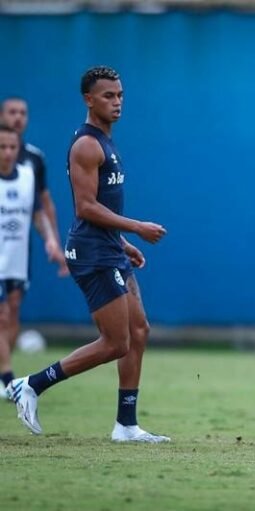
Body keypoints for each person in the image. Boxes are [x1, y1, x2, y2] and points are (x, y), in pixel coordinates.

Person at [6, 66, 170, 442]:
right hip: (92, 253)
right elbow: (86, 207)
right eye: (108, 96)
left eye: (120, 95)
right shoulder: (87, 145)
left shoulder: (106, 141)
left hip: (109, 248)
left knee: (139, 331)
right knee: (116, 342)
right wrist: (137, 228)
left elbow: (101, 207)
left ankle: (126, 426)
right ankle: (32, 384)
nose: (117, 102)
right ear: (88, 100)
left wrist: (122, 243)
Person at [0, 124, 67, 400]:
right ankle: (7, 379)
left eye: (12, 147)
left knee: (13, 312)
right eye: (2, 147)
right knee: (2, 315)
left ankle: (3, 371)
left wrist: (50, 240)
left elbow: (37, 213)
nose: (7, 152)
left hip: (17, 258)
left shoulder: (28, 176)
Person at [1, 96, 63, 251]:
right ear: (1, 116)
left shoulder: (34, 158)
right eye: (12, 112)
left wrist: (53, 240)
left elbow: (43, 202)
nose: (18, 117)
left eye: (23, 113)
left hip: (16, 248)